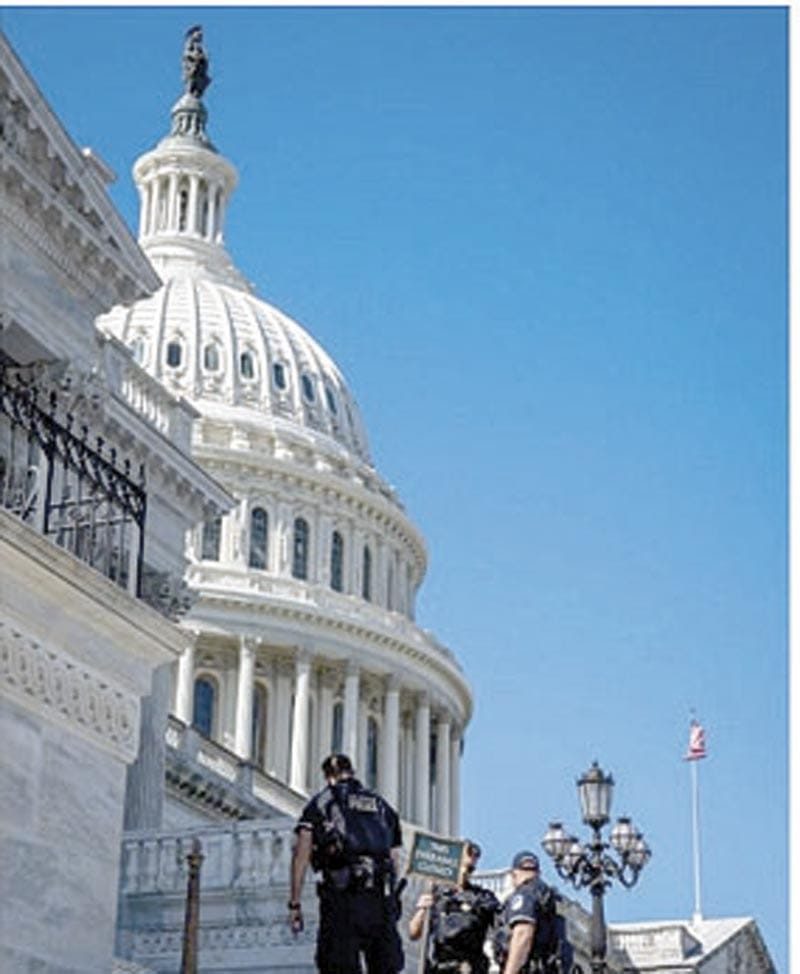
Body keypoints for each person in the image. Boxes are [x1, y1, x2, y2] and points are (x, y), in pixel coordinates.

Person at [288, 752, 404, 974]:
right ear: (352, 772)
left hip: (342, 898)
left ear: (328, 776)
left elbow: (301, 855)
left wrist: (295, 903)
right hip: (379, 900)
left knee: (337, 965)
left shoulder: (322, 802)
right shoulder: (381, 805)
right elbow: (394, 858)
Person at [408, 840, 500, 974]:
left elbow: (500, 929)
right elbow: (414, 933)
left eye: (470, 869)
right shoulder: (437, 895)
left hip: (469, 966)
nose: (464, 872)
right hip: (440, 966)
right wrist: (422, 909)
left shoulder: (482, 898)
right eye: (460, 866)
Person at [493, 851, 565, 974]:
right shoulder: (544, 895)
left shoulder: (525, 894)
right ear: (538, 873)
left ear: (514, 874)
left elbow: (523, 934)